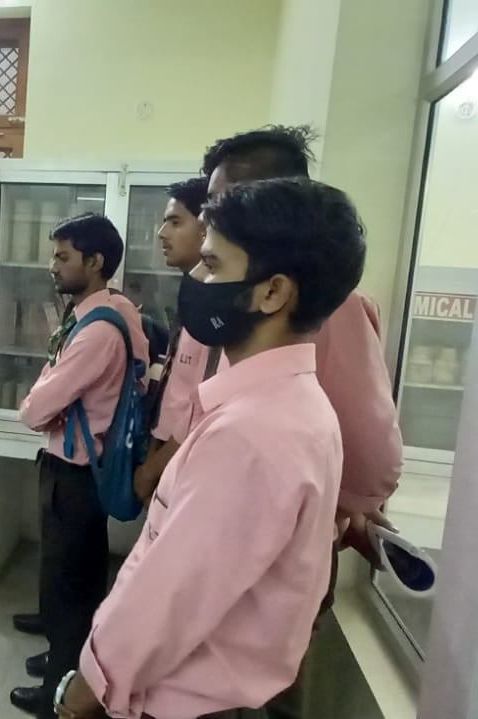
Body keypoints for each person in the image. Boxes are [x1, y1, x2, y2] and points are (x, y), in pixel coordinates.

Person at [56, 177, 366, 719]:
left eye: (213, 264)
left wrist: (87, 690)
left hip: (188, 703)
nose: (197, 279)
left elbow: (170, 598)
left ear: (272, 292)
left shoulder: (251, 433)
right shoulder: (292, 405)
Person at [201, 126, 403, 717]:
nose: (212, 216)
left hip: (279, 551)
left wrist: (337, 507)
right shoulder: (230, 296)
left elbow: (372, 453)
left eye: (224, 199)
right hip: (218, 533)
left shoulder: (328, 308)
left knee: (259, 694)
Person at [11, 214, 149, 718]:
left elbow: (35, 411)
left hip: (72, 473)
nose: (53, 265)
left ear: (95, 262)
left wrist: (42, 398)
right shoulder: (115, 310)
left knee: (66, 587)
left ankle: (58, 694)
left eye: (63, 256)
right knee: (80, 579)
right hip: (85, 470)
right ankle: (65, 661)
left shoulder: (98, 333)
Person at [133, 176, 211, 504]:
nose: (162, 233)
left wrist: (153, 469)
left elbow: (204, 405)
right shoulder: (193, 294)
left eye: (175, 222)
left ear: (206, 228)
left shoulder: (217, 309)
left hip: (190, 462)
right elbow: (177, 391)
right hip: (166, 452)